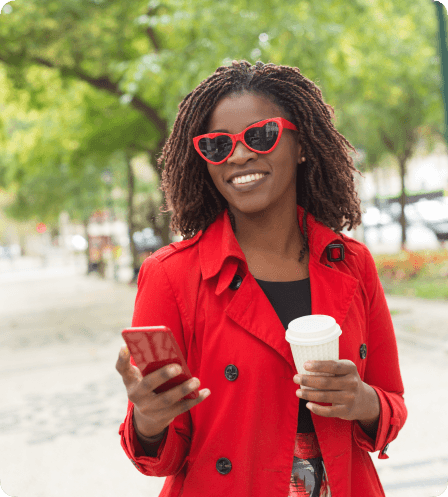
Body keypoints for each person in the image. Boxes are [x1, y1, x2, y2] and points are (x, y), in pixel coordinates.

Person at [116, 60, 407, 497]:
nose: (238, 155)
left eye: (261, 135)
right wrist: (150, 419)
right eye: (217, 145)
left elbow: (391, 406)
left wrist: (362, 402)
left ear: (302, 144)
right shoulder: (170, 275)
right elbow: (160, 457)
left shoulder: (352, 263)